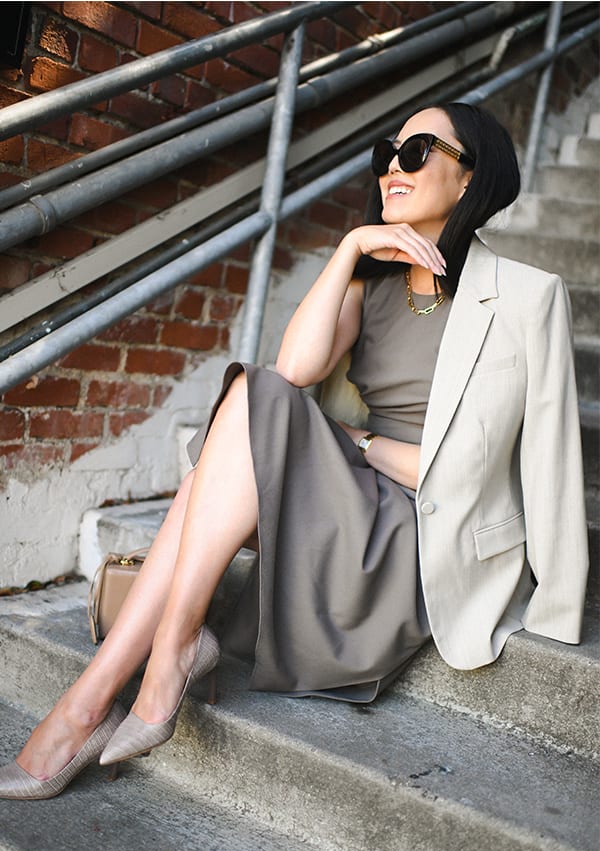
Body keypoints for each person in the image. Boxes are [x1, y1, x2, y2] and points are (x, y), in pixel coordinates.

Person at [0, 103, 588, 799]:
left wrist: (557, 600)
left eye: (417, 150)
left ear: (470, 177)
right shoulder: (370, 284)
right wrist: (348, 251)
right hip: (351, 504)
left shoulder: (526, 296)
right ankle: (119, 685)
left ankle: (109, 694)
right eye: (385, 151)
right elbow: (295, 370)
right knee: (261, 395)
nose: (393, 168)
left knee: (241, 427)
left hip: (415, 535)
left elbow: (540, 459)